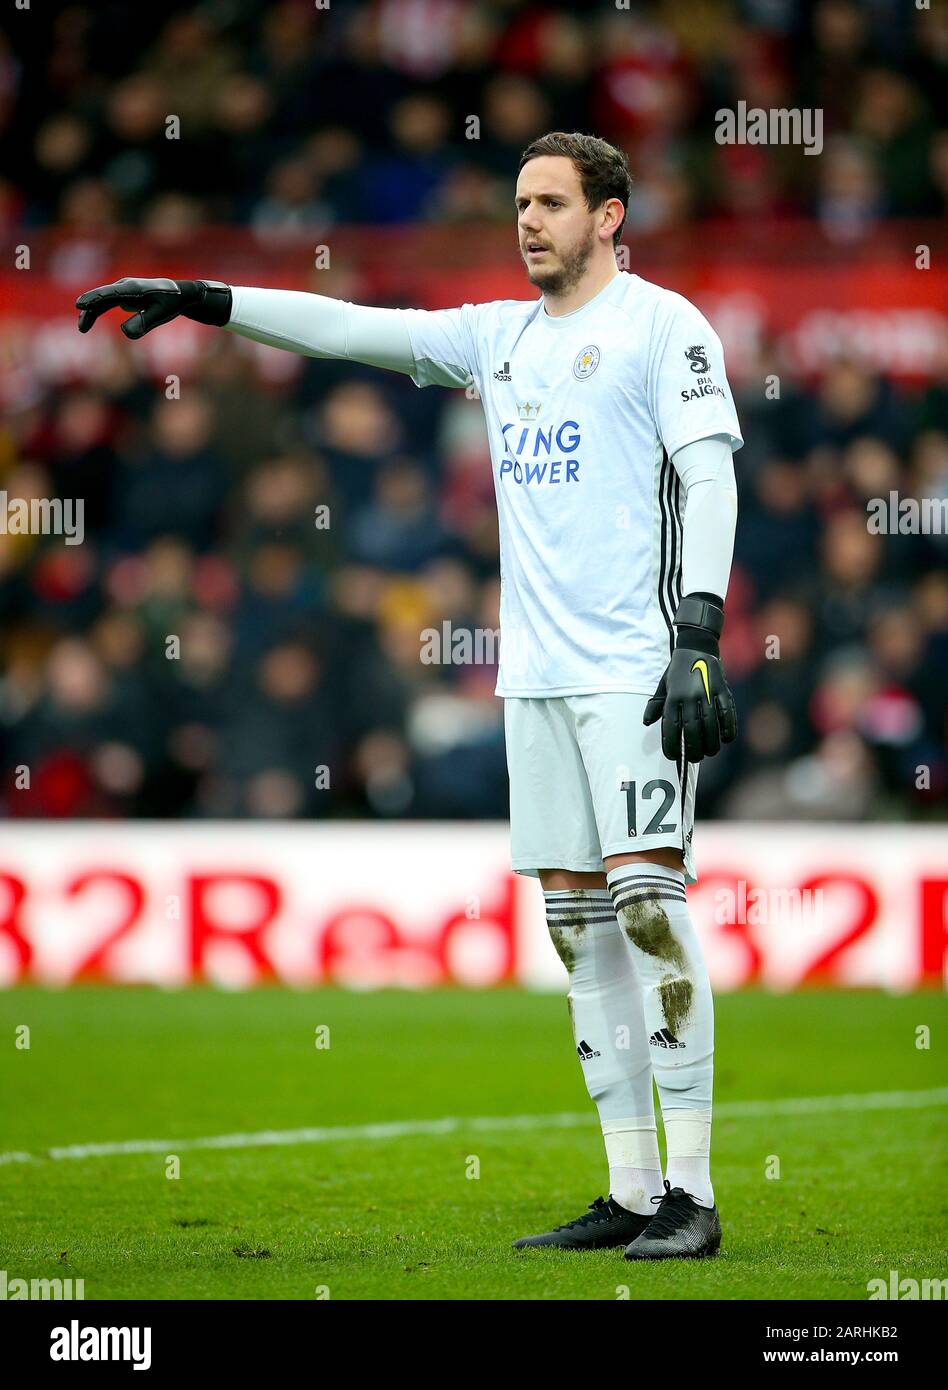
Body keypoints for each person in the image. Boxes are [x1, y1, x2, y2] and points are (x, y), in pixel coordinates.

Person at [76, 130, 742, 1261]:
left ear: (611, 215)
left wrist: (700, 634)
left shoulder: (665, 327)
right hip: (532, 677)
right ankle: (632, 1191)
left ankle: (695, 1191)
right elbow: (350, 329)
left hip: (637, 668)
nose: (527, 221)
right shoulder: (500, 336)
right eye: (518, 202)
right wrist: (207, 298)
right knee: (580, 932)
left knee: (646, 907)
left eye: (551, 203)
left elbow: (711, 469)